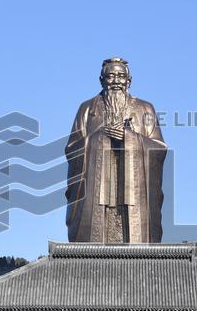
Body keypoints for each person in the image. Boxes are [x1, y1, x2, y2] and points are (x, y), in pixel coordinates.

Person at [64, 57, 167, 243]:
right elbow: (72, 149)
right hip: (97, 192)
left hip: (133, 193)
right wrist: (98, 138)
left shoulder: (145, 109)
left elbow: (159, 148)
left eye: (121, 76)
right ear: (101, 80)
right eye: (111, 76)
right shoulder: (87, 109)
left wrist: (131, 138)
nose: (116, 81)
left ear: (129, 81)